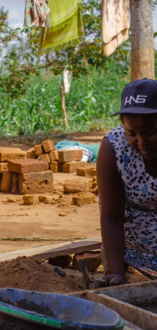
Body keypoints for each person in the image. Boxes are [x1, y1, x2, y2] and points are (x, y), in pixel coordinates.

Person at [97, 78, 157, 287]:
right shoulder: (113, 148)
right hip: (135, 240)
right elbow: (111, 217)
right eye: (132, 133)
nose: (142, 143)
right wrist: (115, 273)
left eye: (151, 133)